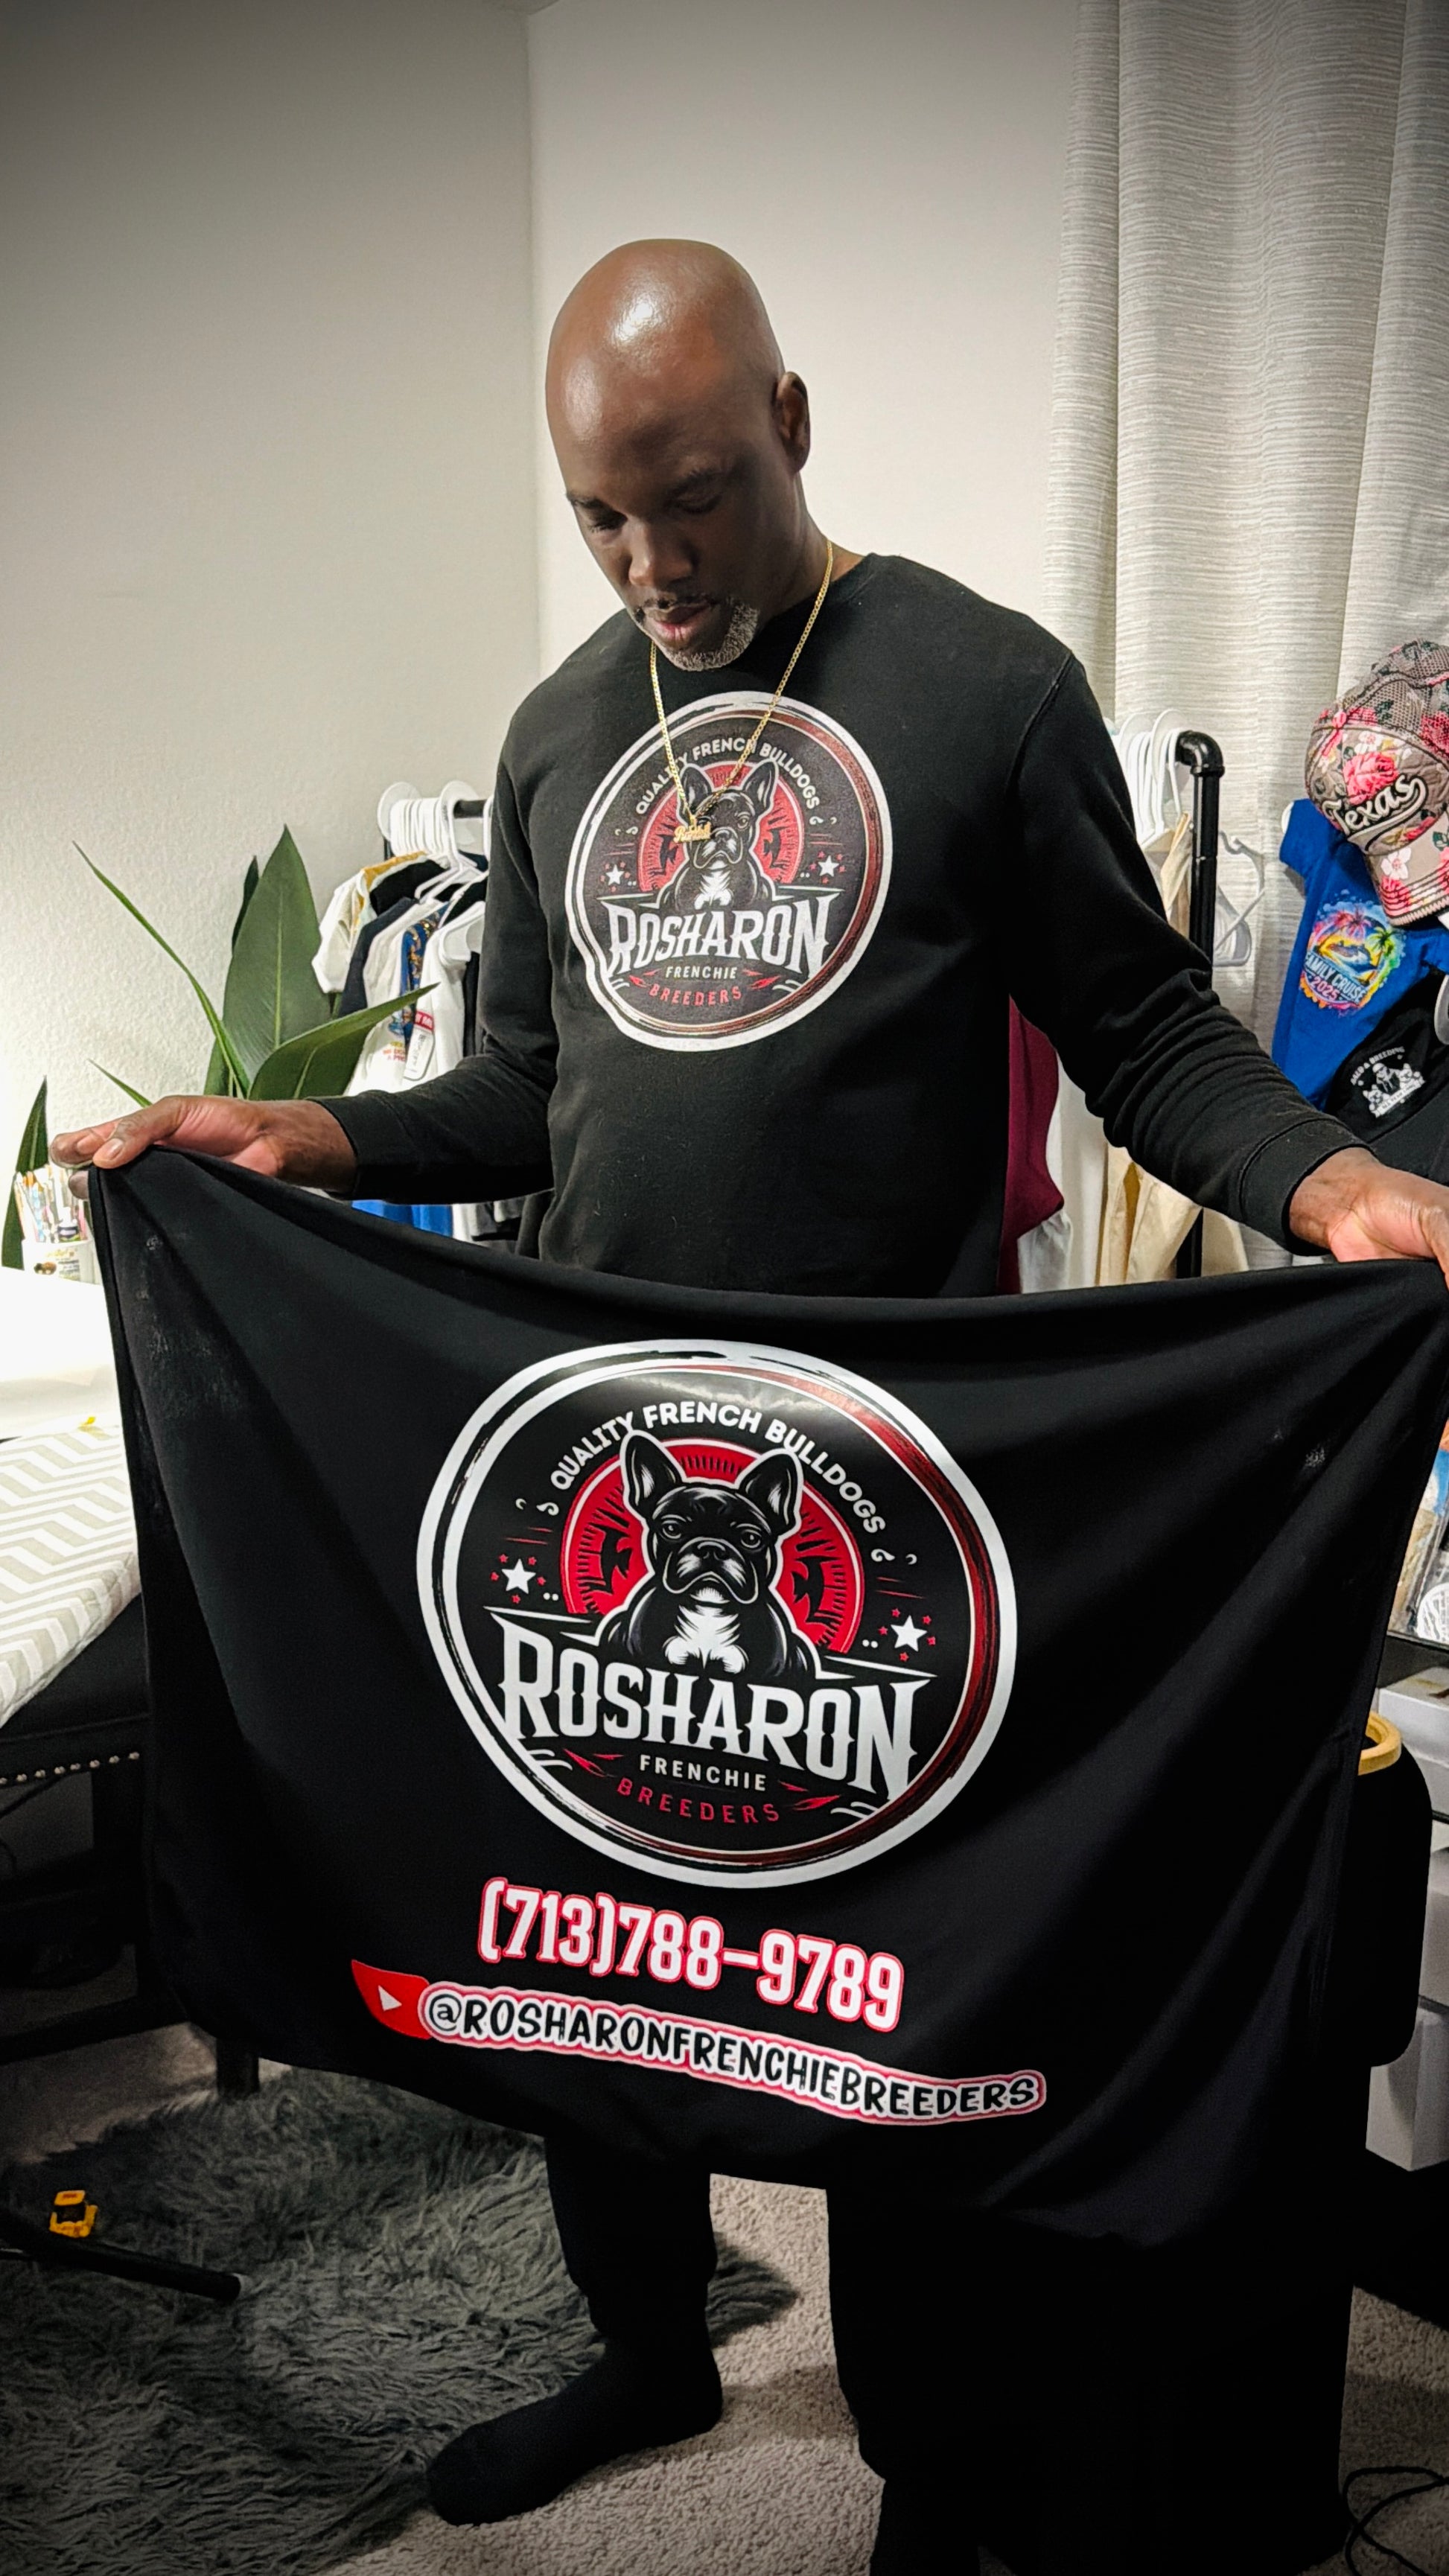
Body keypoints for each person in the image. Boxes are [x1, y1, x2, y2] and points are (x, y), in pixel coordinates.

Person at [54, 240, 1449, 2572]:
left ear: (788, 425)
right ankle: (647, 2342)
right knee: (577, 1933)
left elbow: (1139, 1029)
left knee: (886, 1991)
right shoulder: (560, 733)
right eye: (601, 516)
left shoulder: (979, 689)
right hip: (597, 1445)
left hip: (876, 1487)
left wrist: (1329, 1180)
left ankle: (927, 2456)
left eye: (692, 497)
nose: (652, 563)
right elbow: (524, 1081)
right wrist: (319, 1133)